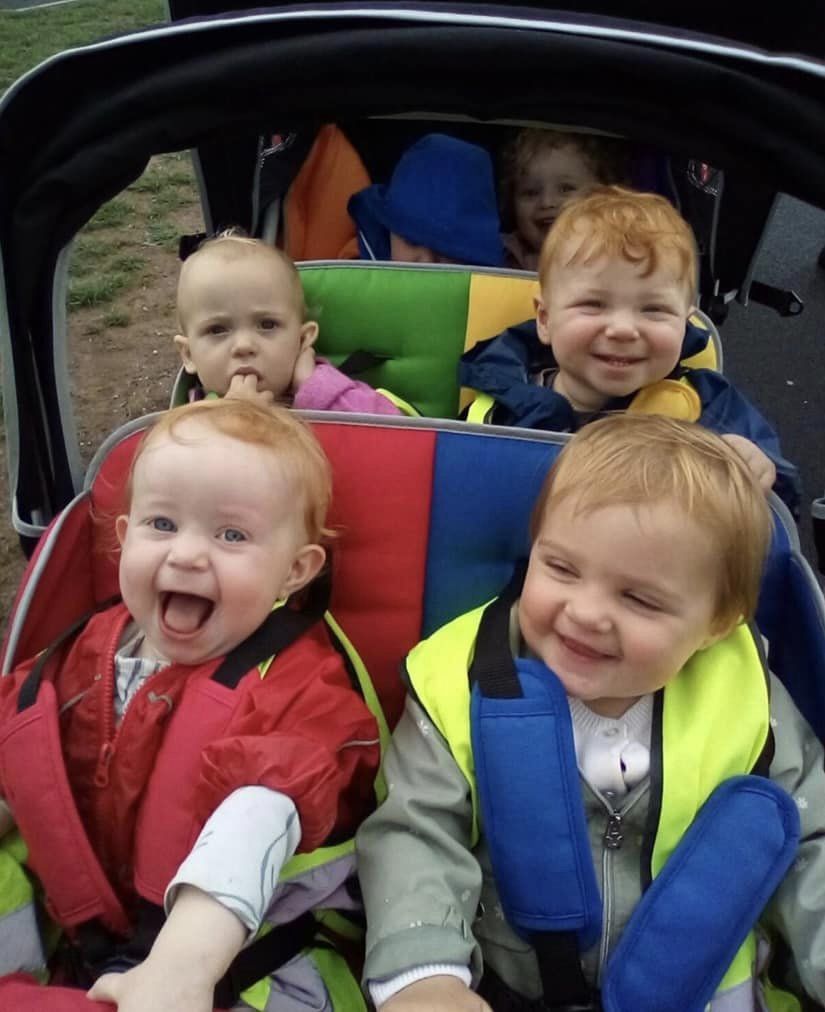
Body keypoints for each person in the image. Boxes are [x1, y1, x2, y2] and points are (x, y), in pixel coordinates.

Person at [356, 413, 825, 1011]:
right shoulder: (459, 680)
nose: (585, 612)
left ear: (716, 624)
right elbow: (415, 832)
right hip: (507, 983)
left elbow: (810, 841)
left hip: (704, 987)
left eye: (638, 597)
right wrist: (423, 973)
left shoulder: (748, 698)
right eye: (561, 568)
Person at [0, 399, 381, 1011]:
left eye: (231, 535)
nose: (186, 555)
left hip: (248, 959)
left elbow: (263, 811)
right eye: (162, 525)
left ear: (295, 573)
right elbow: (19, 751)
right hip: (77, 938)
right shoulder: (76, 656)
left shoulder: (300, 685)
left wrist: (181, 968)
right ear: (123, 540)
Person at [459, 185, 800, 512]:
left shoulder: (707, 408)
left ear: (684, 323)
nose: (623, 330)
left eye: (653, 310)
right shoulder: (496, 403)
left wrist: (760, 467)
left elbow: (779, 509)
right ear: (545, 320)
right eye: (593, 304)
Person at [174, 232, 403, 414]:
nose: (244, 345)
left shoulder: (329, 392)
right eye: (217, 329)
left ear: (302, 340)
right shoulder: (192, 423)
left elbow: (395, 432)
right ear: (189, 355)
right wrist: (237, 421)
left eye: (267, 325)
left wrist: (312, 386)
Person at [347, 133, 504, 266]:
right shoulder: (350, 274)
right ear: (388, 230)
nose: (427, 262)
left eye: (446, 249)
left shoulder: (504, 296)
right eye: (411, 241)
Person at [499, 127, 629, 272]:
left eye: (566, 189)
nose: (547, 202)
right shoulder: (501, 254)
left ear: (601, 197)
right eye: (531, 193)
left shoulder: (621, 256)